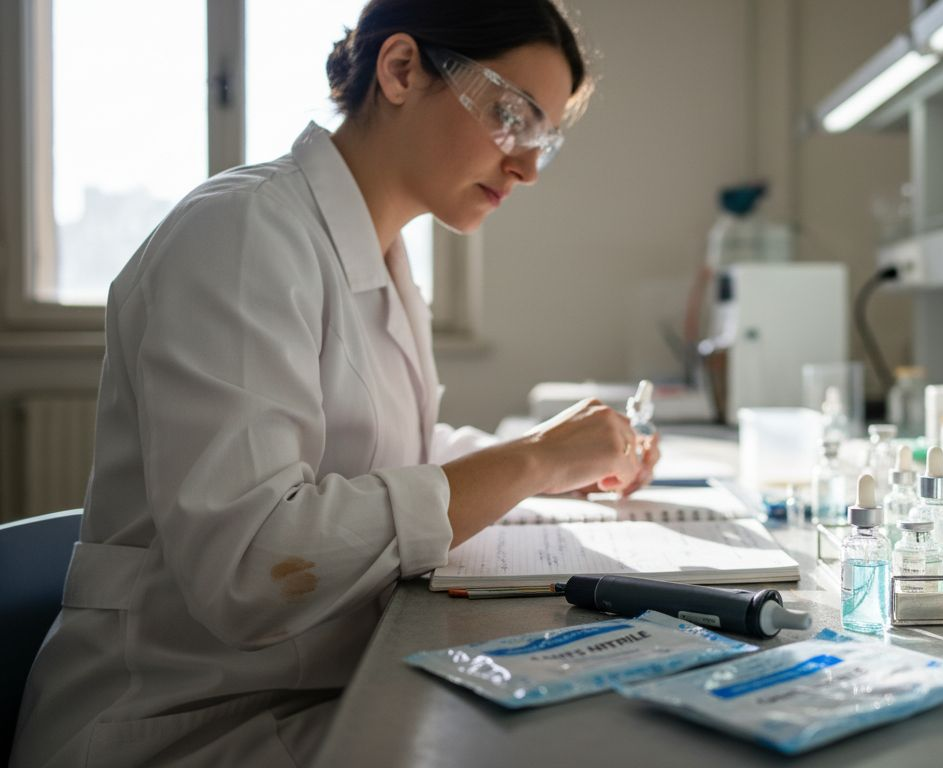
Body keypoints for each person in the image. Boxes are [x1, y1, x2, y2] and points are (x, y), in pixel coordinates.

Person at [11, 2, 658, 766]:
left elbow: (384, 452)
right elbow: (253, 565)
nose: (526, 167)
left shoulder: (379, 257)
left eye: (542, 138)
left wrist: (553, 463)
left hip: (311, 691)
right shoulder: (242, 233)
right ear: (401, 70)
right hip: (183, 726)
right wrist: (532, 461)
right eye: (509, 116)